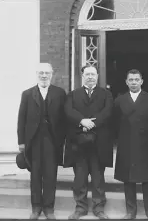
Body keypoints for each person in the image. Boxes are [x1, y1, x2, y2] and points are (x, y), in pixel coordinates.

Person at [17, 63, 66, 219]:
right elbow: (21, 119)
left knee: (51, 175)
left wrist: (63, 140)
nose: (44, 75)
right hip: (34, 140)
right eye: (41, 73)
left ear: (52, 74)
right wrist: (21, 142)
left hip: (52, 140)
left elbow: (64, 118)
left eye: (47, 73)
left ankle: (49, 208)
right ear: (36, 74)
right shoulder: (27, 94)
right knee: (36, 175)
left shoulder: (59, 93)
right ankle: (36, 207)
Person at [64, 65, 114, 220]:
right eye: (87, 74)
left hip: (99, 143)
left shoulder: (106, 94)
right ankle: (80, 207)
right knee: (80, 178)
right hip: (78, 143)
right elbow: (68, 111)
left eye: (93, 74)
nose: (90, 77)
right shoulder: (73, 95)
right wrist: (82, 121)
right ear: (82, 76)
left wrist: (92, 123)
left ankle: (99, 208)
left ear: (97, 76)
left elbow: (108, 111)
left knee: (98, 178)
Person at [113, 69, 148, 220]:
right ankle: (130, 212)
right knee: (128, 180)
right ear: (126, 82)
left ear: (142, 81)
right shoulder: (119, 100)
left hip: (147, 145)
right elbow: (114, 123)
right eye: (131, 80)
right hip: (127, 144)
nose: (134, 82)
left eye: (136, 79)